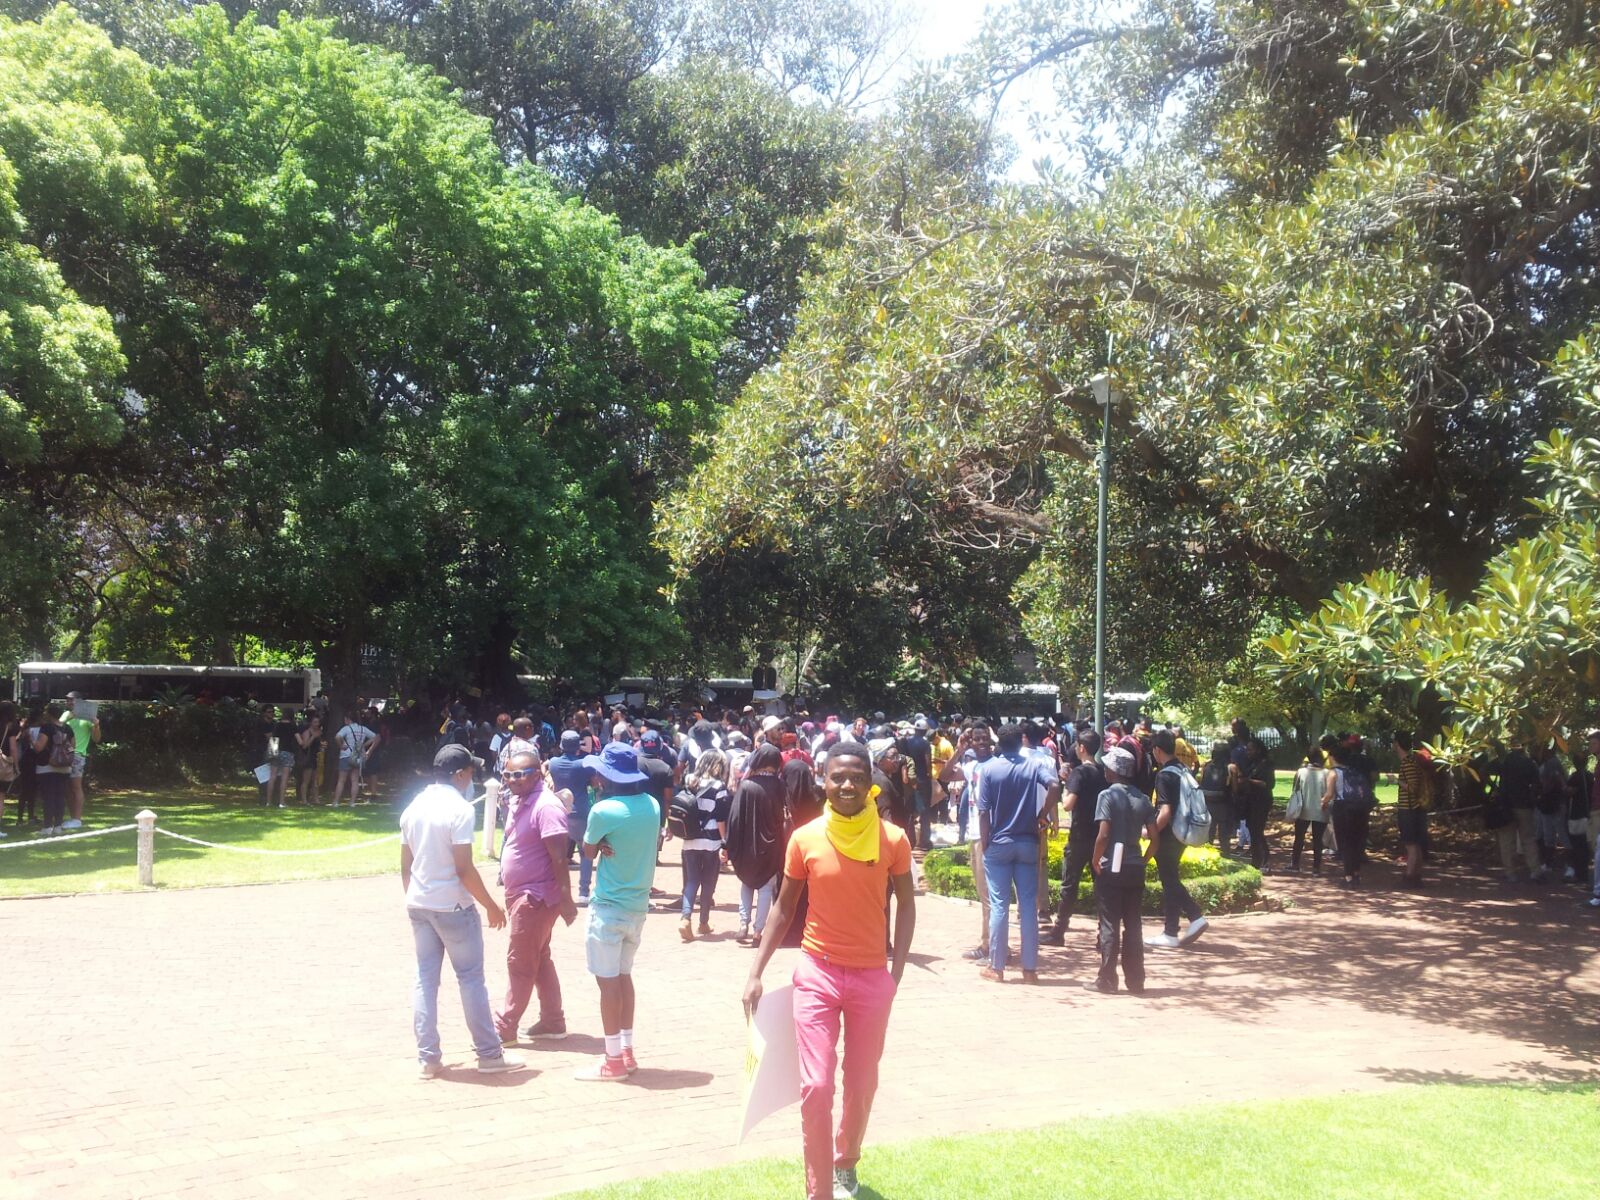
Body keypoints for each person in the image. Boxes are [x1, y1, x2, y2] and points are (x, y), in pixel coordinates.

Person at [742, 740, 915, 1200]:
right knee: (816, 1085)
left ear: (870, 783)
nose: (847, 785)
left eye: (857, 777)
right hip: (816, 973)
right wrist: (756, 971)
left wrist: (895, 973)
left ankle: (846, 1162)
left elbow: (907, 906)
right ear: (824, 779)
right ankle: (818, 1190)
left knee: (862, 1083)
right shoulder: (805, 838)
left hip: (871, 976)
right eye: (838, 777)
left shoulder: (892, 839)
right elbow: (783, 908)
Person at [400, 744, 523, 1078]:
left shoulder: (414, 806)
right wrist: (491, 905)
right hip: (453, 905)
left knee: (425, 979)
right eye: (470, 771)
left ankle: (428, 1058)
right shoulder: (460, 809)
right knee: (470, 979)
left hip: (420, 902)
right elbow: (464, 868)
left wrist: (417, 897)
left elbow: (406, 866)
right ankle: (489, 1054)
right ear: (459, 774)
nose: (472, 777)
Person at [575, 741, 662, 1081]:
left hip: (609, 906)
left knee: (608, 985)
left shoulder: (603, 810)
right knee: (624, 978)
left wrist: (600, 843)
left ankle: (612, 1061)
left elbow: (587, 851)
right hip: (637, 907)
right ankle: (626, 1050)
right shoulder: (652, 805)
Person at [493, 749, 576, 1044]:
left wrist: (566, 899)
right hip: (521, 894)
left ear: (537, 775)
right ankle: (553, 1021)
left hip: (535, 897)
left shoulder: (547, 806)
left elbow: (559, 858)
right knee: (539, 958)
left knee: (520, 962)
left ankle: (504, 1027)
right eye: (508, 775)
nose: (512, 780)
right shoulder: (519, 800)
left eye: (520, 774)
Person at [975, 723, 1059, 984]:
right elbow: (1055, 786)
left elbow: (983, 812)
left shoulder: (989, 769)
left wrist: (986, 842)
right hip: (1027, 842)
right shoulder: (1033, 765)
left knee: (999, 905)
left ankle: (997, 967)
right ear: (1020, 741)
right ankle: (1030, 970)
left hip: (999, 842)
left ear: (999, 743)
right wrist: (1043, 814)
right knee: (1028, 906)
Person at [1089, 745, 1157, 995]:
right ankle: (1136, 980)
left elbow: (1103, 835)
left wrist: (1096, 860)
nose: (1105, 770)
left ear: (1114, 771)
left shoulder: (1107, 796)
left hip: (1111, 867)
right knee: (1133, 924)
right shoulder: (1143, 798)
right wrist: (1144, 859)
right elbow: (1155, 839)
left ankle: (1107, 979)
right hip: (1134, 867)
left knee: (1109, 924)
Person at [1145, 729, 1208, 949]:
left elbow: (1165, 812)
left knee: (1169, 879)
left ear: (1157, 750)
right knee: (1170, 878)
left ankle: (1195, 916)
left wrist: (1149, 832)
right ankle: (1170, 932)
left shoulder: (1164, 775)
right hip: (1182, 832)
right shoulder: (1183, 769)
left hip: (1168, 834)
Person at [727, 744, 787, 944]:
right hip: (772, 846)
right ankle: (758, 932)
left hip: (747, 846)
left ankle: (743, 924)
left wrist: (728, 845)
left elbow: (735, 818)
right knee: (766, 888)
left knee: (746, 882)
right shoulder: (779, 786)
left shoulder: (746, 786)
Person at [677, 749, 731, 941]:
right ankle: (703, 923)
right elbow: (721, 818)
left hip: (690, 838)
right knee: (708, 882)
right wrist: (725, 843)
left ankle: (685, 918)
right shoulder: (719, 786)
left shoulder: (689, 780)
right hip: (711, 840)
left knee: (691, 881)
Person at [954, 722, 995, 959]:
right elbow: (944, 776)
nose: (980, 743)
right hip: (975, 833)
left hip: (985, 835)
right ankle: (991, 944)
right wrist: (959, 750)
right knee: (984, 893)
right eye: (976, 739)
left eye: (984, 738)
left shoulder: (995, 765)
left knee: (988, 894)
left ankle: (991, 946)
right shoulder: (970, 767)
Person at [548, 729, 595, 904]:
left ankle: (557, 892)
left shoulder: (553, 763)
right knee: (585, 853)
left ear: (561, 745)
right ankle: (583, 892)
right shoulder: (584, 764)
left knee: (557, 855)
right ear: (578, 746)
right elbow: (594, 783)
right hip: (580, 812)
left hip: (558, 811)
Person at [1321, 740, 1374, 887]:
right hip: (1360, 809)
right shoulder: (1355, 771)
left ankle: (1348, 877)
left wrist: (1323, 802)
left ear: (1333, 757)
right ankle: (1356, 873)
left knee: (1345, 843)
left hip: (1343, 808)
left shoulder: (1333, 773)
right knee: (1357, 841)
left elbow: (1329, 794)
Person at [1492, 743, 1541, 883]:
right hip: (1524, 805)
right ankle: (1535, 871)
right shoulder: (1529, 763)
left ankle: (1510, 872)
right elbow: (1537, 784)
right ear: (1523, 749)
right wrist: (1532, 797)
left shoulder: (1504, 762)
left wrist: (1495, 789)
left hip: (1506, 806)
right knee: (1528, 839)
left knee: (1507, 841)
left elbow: (1485, 770)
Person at [1286, 748, 1331, 874]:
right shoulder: (1327, 773)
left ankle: (1295, 864)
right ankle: (1316, 868)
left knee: (1299, 838)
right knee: (1318, 840)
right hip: (1321, 809)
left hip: (1303, 809)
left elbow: (1295, 790)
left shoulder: (1301, 772)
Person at [1393, 733, 1430, 888]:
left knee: (1411, 844)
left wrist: (1396, 781)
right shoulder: (1412, 761)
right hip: (1415, 808)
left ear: (1397, 744)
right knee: (1416, 844)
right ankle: (1416, 875)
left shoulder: (1407, 763)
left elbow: (1413, 787)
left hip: (1409, 808)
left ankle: (1410, 876)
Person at [60, 692, 101, 829]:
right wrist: (67, 718)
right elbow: (57, 727)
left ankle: (77, 820)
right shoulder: (66, 714)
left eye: (71, 700)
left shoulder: (88, 717)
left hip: (77, 755)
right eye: (67, 700)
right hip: (64, 754)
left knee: (76, 787)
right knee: (67, 789)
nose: (69, 702)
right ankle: (72, 818)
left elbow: (96, 739)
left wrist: (96, 725)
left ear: (79, 701)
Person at [32, 705, 73, 837]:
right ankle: (58, 826)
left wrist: (31, 739)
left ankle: (47, 826)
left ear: (49, 714)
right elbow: (73, 746)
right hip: (64, 767)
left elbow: (39, 747)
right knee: (60, 796)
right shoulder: (68, 728)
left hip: (47, 767)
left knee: (48, 797)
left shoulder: (47, 727)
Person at [1240, 737, 1275, 872]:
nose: (1248, 752)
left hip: (1261, 801)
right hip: (1251, 800)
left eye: (1250, 749)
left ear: (1258, 750)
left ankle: (1264, 859)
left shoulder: (1266, 764)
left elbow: (1268, 784)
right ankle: (1256, 860)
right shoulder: (1252, 764)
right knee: (1252, 830)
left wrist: (1250, 781)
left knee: (1257, 830)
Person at [332, 711, 377, 807]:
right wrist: (364, 745)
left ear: (348, 719)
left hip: (346, 755)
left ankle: (336, 802)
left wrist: (341, 746)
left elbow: (337, 737)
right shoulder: (363, 729)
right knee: (355, 780)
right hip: (357, 756)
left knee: (341, 780)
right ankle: (352, 802)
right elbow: (375, 737)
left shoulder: (346, 728)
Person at [1200, 741, 1235, 854]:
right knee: (1224, 831)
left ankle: (1208, 854)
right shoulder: (1230, 767)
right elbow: (1235, 788)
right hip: (1224, 802)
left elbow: (1201, 781)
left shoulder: (1206, 765)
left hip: (1207, 802)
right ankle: (1225, 853)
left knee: (1209, 831)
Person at [263, 705, 296, 808]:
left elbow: (273, 739)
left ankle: (268, 802)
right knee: (284, 778)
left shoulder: (277, 725)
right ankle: (281, 802)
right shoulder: (293, 726)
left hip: (276, 750)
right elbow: (298, 739)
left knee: (272, 776)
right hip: (287, 752)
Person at [296, 711, 324, 806]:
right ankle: (304, 800)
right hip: (308, 758)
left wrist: (322, 746)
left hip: (315, 757)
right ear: (311, 723)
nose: (317, 724)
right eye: (315, 722)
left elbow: (319, 745)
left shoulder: (319, 732)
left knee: (315, 781)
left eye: (318, 722)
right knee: (306, 780)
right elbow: (305, 745)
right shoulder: (307, 732)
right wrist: (313, 737)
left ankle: (316, 799)